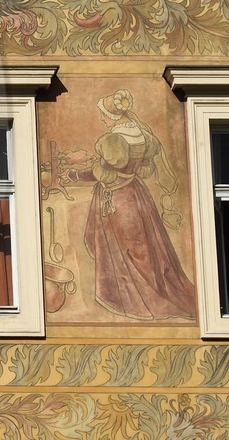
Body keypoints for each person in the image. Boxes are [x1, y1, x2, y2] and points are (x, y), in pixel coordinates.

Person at [78, 90, 197, 319]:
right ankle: (153, 292)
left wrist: (76, 175)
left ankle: (133, 300)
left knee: (127, 250)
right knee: (145, 248)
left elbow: (104, 172)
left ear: (112, 116)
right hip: (136, 195)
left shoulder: (114, 140)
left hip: (118, 201)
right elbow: (144, 167)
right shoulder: (140, 135)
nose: (102, 119)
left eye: (103, 115)